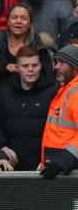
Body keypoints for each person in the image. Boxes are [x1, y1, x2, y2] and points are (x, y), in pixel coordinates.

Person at [0, 45, 58, 171]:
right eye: (25, 66)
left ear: (40, 66)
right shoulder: (4, 93)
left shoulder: (53, 92)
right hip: (13, 165)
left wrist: (49, 157)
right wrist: (2, 147)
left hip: (44, 165)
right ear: (17, 68)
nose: (30, 70)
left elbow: (59, 130)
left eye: (34, 65)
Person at [40, 45, 78, 179]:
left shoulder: (75, 92)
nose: (56, 67)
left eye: (61, 62)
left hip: (68, 170)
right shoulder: (65, 90)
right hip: (60, 168)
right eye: (56, 62)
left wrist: (61, 163)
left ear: (74, 66)